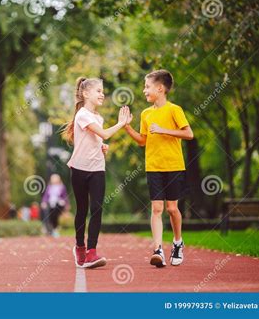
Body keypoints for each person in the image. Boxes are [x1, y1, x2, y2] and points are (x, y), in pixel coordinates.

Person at [124, 69, 193, 267]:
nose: (144, 90)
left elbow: (189, 134)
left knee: (172, 208)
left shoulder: (174, 110)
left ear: (160, 88)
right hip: (153, 166)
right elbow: (142, 141)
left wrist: (163, 130)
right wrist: (127, 127)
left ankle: (178, 243)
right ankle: (158, 250)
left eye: (147, 87)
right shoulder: (146, 114)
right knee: (156, 208)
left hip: (173, 165)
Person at [63, 76, 130, 268]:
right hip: (79, 169)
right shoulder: (82, 114)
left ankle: (92, 252)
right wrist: (121, 123)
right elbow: (104, 133)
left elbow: (99, 139)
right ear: (86, 93)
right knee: (82, 210)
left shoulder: (98, 118)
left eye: (102, 91)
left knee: (97, 209)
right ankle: (79, 247)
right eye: (98, 91)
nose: (102, 94)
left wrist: (102, 147)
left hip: (97, 169)